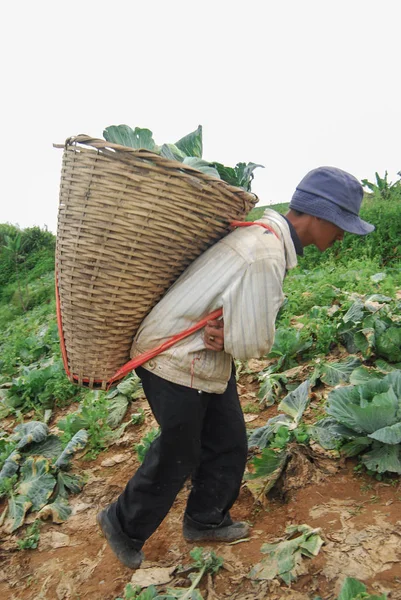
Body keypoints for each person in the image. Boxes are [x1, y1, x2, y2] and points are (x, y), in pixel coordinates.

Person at [97, 166, 374, 569]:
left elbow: (243, 328)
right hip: (174, 357)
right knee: (181, 447)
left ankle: (206, 520)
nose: (342, 235)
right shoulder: (264, 254)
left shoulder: (264, 240)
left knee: (228, 440)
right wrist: (235, 335)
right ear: (320, 216)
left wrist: (231, 332)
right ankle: (122, 524)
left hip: (203, 358)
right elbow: (255, 344)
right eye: (342, 224)